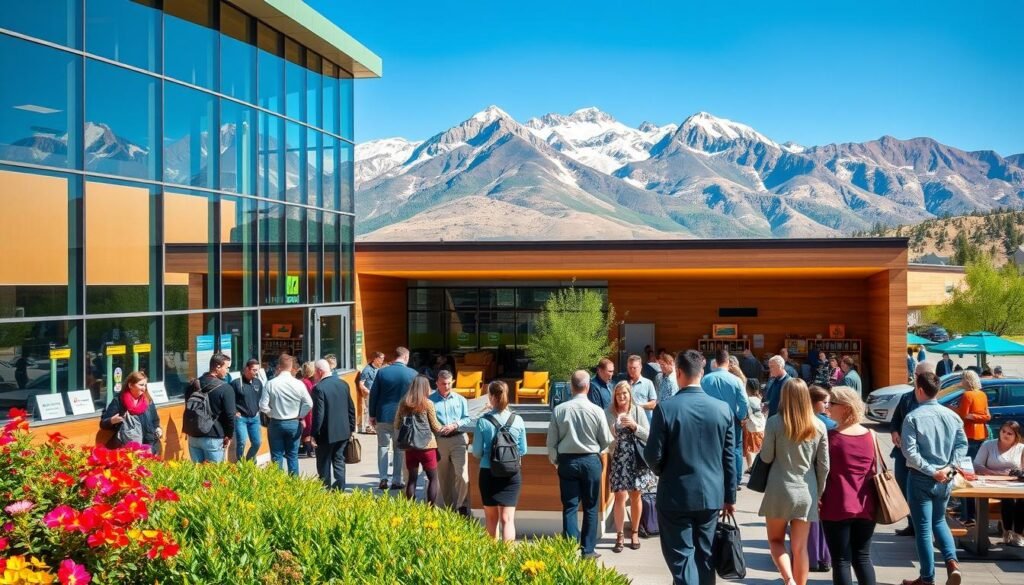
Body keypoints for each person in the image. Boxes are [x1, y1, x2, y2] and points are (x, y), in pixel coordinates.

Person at [645, 349, 737, 585]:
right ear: (702, 372)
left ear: (678, 373)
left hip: (675, 493)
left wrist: (664, 472)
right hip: (710, 495)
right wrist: (730, 497)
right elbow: (729, 458)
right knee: (705, 556)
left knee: (682, 558)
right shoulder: (722, 409)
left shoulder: (666, 408)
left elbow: (652, 455)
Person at [759, 378, 830, 585]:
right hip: (806, 491)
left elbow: (766, 457)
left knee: (775, 541)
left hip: (779, 489)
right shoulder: (818, 425)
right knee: (800, 549)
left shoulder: (774, 422)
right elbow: (824, 466)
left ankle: (788, 580)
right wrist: (819, 493)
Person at [900, 372, 966, 585]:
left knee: (923, 529)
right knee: (940, 521)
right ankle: (952, 563)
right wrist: (950, 468)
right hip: (945, 477)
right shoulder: (952, 416)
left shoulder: (913, 417)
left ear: (919, 390)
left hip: (922, 477)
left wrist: (931, 470)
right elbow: (961, 446)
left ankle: (927, 578)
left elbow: (909, 452)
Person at [547, 370, 613, 559]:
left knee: (569, 506)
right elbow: (606, 441)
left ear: (571, 387)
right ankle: (588, 549)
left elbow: (551, 443)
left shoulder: (559, 410)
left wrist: (557, 462)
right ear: (588, 386)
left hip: (567, 461)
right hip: (591, 460)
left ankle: (569, 549)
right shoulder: (597, 410)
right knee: (591, 507)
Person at [821, 386, 878, 585]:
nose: (827, 408)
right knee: (862, 557)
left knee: (841, 561)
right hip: (866, 505)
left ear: (845, 408)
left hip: (837, 505)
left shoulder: (830, 437)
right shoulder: (871, 434)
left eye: (832, 403)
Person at [472, 380, 528, 541]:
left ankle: (493, 558)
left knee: (491, 519)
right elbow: (523, 450)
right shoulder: (517, 420)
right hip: (512, 473)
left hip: (488, 472)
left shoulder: (483, 421)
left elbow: (476, 452)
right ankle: (508, 557)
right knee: (508, 519)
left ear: (490, 397)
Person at [606, 380, 655, 553]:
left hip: (637, 459)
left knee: (636, 496)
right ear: (615, 396)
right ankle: (619, 535)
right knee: (620, 496)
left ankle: (634, 532)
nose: (621, 397)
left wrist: (634, 426)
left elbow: (649, 436)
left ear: (629, 395)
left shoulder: (637, 411)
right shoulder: (609, 412)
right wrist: (612, 434)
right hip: (619, 460)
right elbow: (604, 441)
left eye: (624, 394)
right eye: (618, 394)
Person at [369, 347, 418, 491]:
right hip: (404, 418)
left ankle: (383, 478)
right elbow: (416, 397)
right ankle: (397, 479)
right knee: (399, 449)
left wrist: (372, 415)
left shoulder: (382, 372)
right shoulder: (413, 374)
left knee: (383, 447)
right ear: (406, 357)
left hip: (383, 415)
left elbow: (374, 394)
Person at [972, 421, 1024, 546]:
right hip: (990, 482)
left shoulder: (1021, 448)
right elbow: (977, 464)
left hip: (1013, 483)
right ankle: (1007, 532)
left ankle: (1018, 534)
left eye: (1009, 433)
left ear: (1016, 436)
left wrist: (1019, 473)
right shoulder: (988, 445)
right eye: (1003, 431)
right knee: (1008, 499)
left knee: (1022, 499)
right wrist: (994, 473)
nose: (1005, 435)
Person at [260, 354, 313, 476]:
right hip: (293, 422)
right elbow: (309, 403)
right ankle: (293, 485)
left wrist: (272, 413)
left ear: (279, 366)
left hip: (276, 422)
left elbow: (263, 406)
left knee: (276, 456)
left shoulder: (271, 383)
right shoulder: (298, 384)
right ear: (291, 367)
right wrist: (300, 415)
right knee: (292, 455)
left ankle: (278, 485)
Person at [394, 375, 443, 504]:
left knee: (412, 479)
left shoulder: (404, 402)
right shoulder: (428, 403)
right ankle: (430, 509)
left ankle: (412, 507)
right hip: (427, 446)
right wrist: (448, 427)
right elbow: (435, 426)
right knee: (433, 478)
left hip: (410, 445)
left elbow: (397, 424)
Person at [702, 349, 748, 482]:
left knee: (713, 448)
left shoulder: (706, 379)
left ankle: (715, 476)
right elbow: (744, 402)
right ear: (728, 362)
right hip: (732, 417)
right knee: (735, 449)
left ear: (716, 362)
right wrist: (740, 416)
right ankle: (736, 478)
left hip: (711, 418)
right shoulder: (736, 380)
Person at [430, 370, 472, 515]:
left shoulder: (460, 399)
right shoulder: (430, 400)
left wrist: (455, 424)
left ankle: (462, 506)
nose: (447, 386)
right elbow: (428, 420)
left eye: (449, 383)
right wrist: (438, 427)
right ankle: (446, 508)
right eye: (443, 384)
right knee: (443, 476)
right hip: (440, 441)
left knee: (462, 474)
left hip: (458, 439)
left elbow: (467, 418)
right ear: (437, 383)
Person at [310, 359, 355, 490]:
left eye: (315, 373)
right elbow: (351, 408)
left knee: (323, 462)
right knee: (339, 460)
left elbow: (319, 414)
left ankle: (326, 489)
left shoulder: (318, 388)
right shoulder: (343, 384)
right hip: (343, 431)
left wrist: (313, 434)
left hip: (326, 433)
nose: (314, 375)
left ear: (319, 371)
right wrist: (351, 427)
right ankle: (340, 487)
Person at [184, 353, 235, 464]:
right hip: (214, 437)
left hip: (193, 436)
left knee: (197, 476)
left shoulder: (192, 384)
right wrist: (229, 436)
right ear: (217, 367)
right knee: (215, 477)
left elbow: (188, 408)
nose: (227, 371)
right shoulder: (226, 388)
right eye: (226, 368)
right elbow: (230, 416)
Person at [955, 370, 990, 523]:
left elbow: (962, 416)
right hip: (980, 435)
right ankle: (970, 511)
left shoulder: (967, 395)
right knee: (973, 474)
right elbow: (987, 416)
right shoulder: (982, 395)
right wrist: (977, 416)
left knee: (964, 474)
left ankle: (968, 514)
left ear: (967, 380)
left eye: (962, 378)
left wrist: (952, 409)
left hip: (968, 436)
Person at [807, 385, 836, 573]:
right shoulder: (828, 425)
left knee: (809, 521)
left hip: (808, 477)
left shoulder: (801, 421)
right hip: (823, 476)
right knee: (821, 520)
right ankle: (824, 557)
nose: (827, 406)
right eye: (825, 402)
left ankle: (811, 557)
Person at [99, 370, 162, 455]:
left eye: (145, 385)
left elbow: (155, 421)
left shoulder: (148, 400)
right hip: (127, 450)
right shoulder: (119, 401)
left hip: (149, 447)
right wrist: (112, 420)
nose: (144, 388)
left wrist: (158, 429)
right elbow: (103, 424)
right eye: (141, 385)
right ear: (130, 385)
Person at [231, 358, 265, 462]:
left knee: (257, 442)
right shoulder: (236, 383)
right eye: (254, 370)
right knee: (241, 442)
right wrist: (234, 411)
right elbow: (230, 399)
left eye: (257, 370)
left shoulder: (258, 382)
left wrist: (258, 410)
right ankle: (240, 464)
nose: (256, 372)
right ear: (247, 369)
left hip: (254, 418)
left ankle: (249, 461)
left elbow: (259, 398)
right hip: (241, 419)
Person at [358, 351, 384, 434]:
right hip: (370, 394)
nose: (382, 361)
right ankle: (368, 427)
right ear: (375, 359)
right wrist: (369, 392)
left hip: (378, 393)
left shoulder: (379, 368)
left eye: (383, 359)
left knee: (376, 410)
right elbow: (361, 384)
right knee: (368, 410)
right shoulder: (367, 370)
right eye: (381, 359)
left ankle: (374, 427)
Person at [626, 355, 658, 422]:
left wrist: (638, 406)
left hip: (644, 423)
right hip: (628, 423)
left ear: (640, 367)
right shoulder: (624, 384)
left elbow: (653, 404)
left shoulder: (648, 383)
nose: (632, 370)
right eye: (630, 368)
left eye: (634, 368)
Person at [744, 378, 766, 470]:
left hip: (751, 427)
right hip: (761, 427)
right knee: (758, 450)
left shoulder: (747, 400)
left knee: (749, 450)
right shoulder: (760, 399)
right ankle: (754, 468)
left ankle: (750, 467)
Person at [299, 361, 317, 458]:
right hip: (310, 409)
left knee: (307, 430)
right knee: (309, 429)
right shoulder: (309, 383)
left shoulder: (303, 382)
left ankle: (307, 449)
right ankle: (309, 450)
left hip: (306, 408)